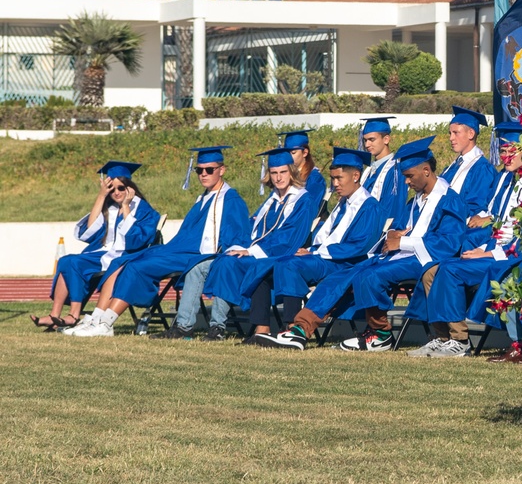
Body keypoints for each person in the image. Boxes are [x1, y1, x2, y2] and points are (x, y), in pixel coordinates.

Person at [66, 146, 250, 337]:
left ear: (222, 170)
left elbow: (238, 234)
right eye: (199, 170)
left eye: (209, 170)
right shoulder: (203, 198)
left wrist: (230, 251)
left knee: (138, 266)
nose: (203, 174)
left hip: (197, 255)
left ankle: (107, 322)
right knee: (121, 261)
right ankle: (98, 319)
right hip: (178, 249)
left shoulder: (230, 199)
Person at [414, 122, 522, 358]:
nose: (505, 156)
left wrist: (488, 253)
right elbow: (497, 222)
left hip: (513, 256)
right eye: (502, 151)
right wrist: (481, 248)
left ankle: (460, 341)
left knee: (450, 270)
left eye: (510, 150)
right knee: (436, 268)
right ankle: (442, 337)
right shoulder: (505, 178)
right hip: (494, 249)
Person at [337, 136, 467, 352]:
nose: (406, 182)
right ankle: (375, 331)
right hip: (405, 256)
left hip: (427, 258)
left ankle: (381, 335)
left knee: (372, 276)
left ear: (426, 170)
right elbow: (396, 228)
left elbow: (448, 242)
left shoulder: (449, 199)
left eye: (409, 176)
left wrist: (403, 242)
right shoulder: (415, 200)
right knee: (358, 270)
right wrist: (393, 235)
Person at [174, 146, 315, 341]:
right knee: (212, 263)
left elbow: (289, 237)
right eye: (274, 173)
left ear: (291, 172)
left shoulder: (302, 199)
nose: (278, 178)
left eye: (283, 172)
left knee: (230, 264)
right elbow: (249, 227)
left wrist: (251, 251)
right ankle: (193, 327)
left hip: (277, 256)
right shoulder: (271, 200)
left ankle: (220, 327)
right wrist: (237, 247)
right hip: (255, 253)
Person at [244, 147, 382, 347]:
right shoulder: (342, 204)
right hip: (323, 258)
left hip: (344, 263)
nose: (334, 184)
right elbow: (322, 236)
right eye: (332, 179)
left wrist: (315, 251)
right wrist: (313, 250)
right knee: (265, 266)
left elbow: (359, 246)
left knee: (289, 265)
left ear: (356, 176)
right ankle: (261, 329)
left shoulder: (369, 206)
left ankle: (291, 328)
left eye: (338, 179)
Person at [32, 161, 160, 330]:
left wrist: (126, 206)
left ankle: (73, 316)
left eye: (121, 188)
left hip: (126, 256)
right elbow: (89, 233)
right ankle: (55, 315)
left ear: (130, 187)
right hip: (103, 254)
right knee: (66, 261)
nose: (116, 193)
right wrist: (101, 196)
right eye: (111, 189)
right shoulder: (110, 208)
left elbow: (138, 240)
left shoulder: (144, 211)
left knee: (75, 263)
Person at [441, 106, 497, 217]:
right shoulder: (452, 167)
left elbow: (476, 206)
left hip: (460, 228)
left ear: (471, 134)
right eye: (450, 133)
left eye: (456, 133)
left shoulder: (483, 169)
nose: (451, 138)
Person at [359, 116, 408, 226]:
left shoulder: (395, 170)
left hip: (379, 231)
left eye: (372, 139)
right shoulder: (368, 171)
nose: (367, 145)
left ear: (386, 139)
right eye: (365, 140)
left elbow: (393, 209)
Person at [277, 129, 327, 216]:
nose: (288, 157)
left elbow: (308, 209)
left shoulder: (314, 178)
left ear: (305, 153)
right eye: (286, 153)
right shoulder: (285, 176)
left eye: (293, 153)